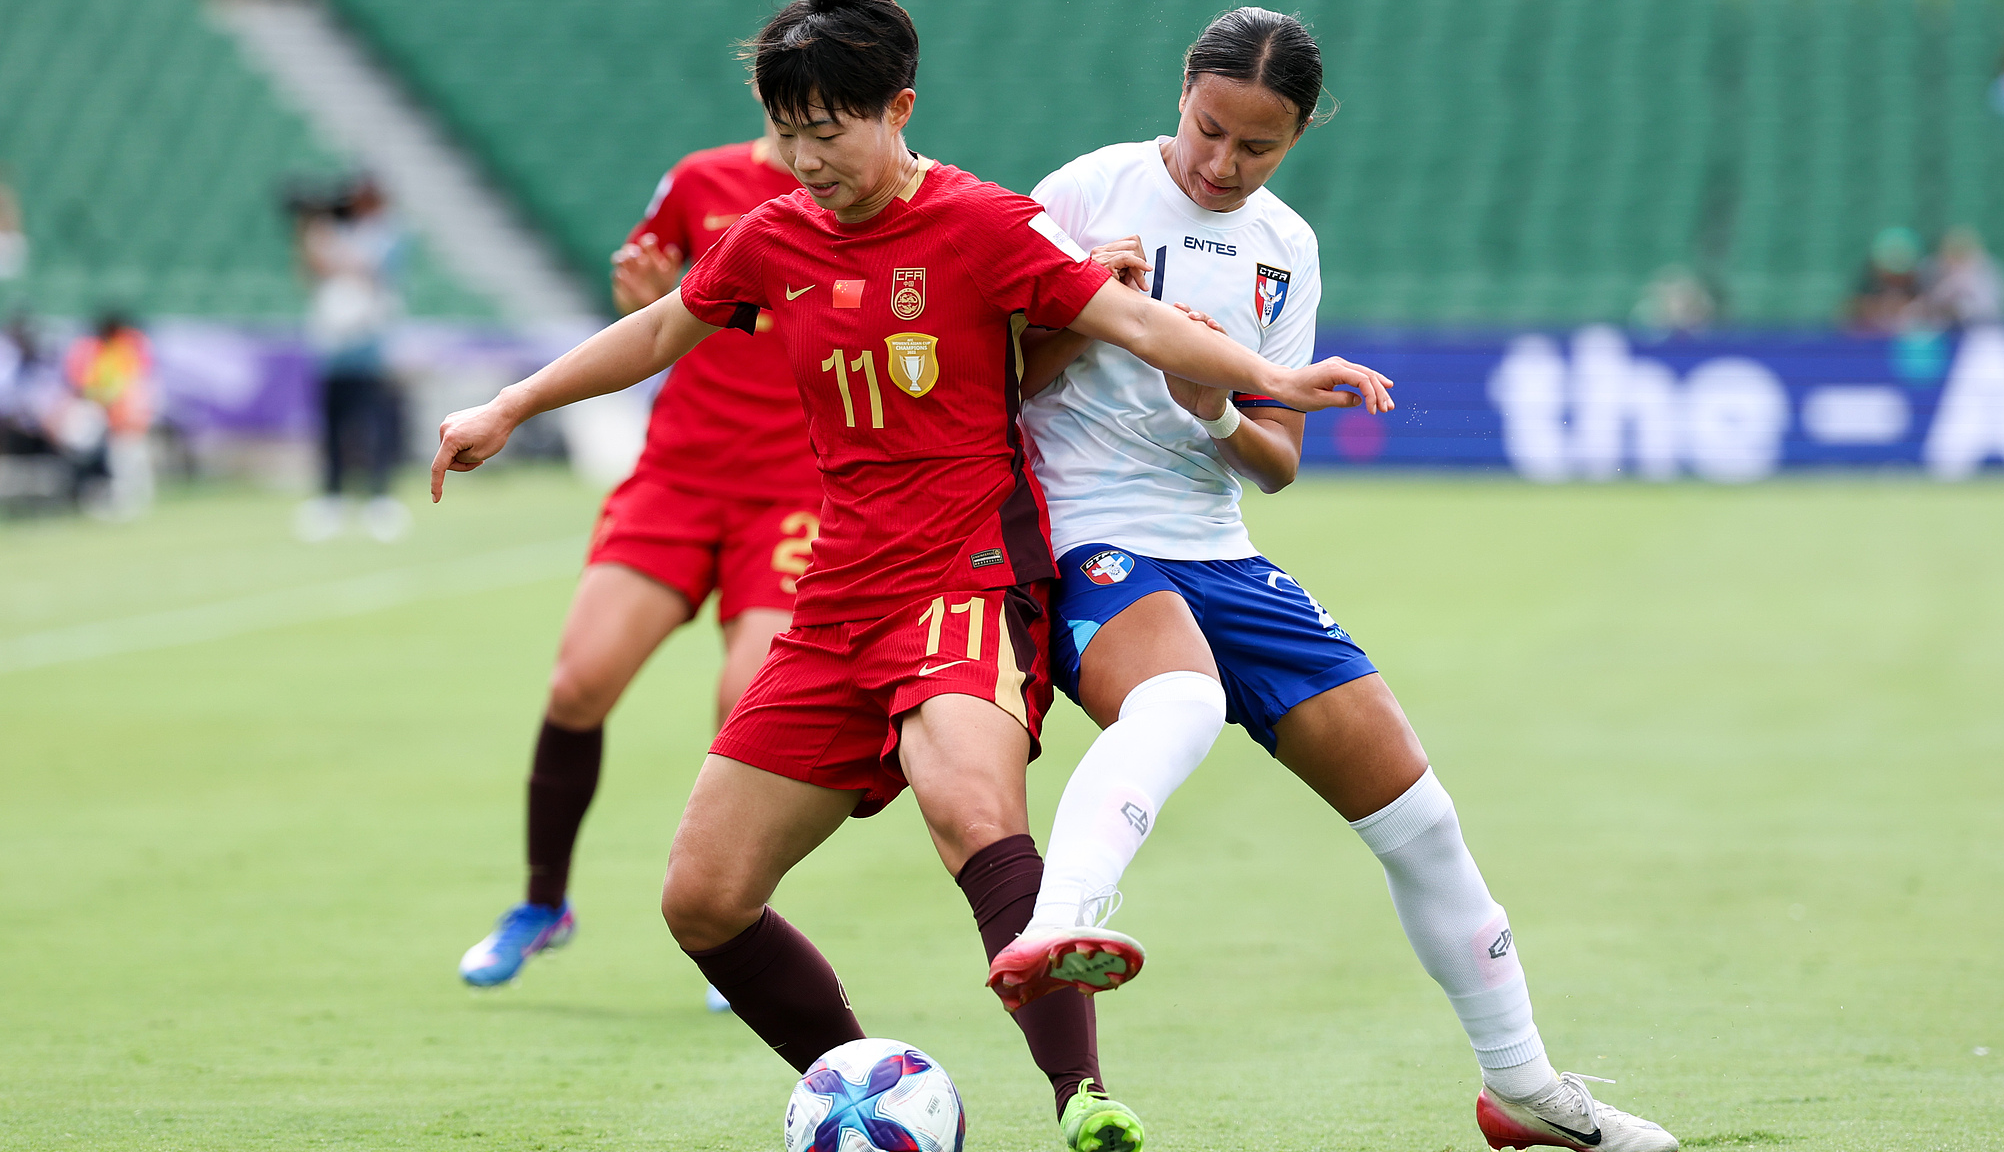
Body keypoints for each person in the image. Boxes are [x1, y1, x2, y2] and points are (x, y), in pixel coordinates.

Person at [428, 3, 1384, 1146]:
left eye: (828, 130)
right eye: (786, 132)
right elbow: (653, 333)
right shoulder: (773, 234)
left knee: (969, 811)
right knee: (702, 899)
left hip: (968, 580)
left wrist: (1275, 383)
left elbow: (1142, 326)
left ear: (899, 110)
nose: (804, 159)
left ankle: (1081, 1100)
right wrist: (509, 402)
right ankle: (863, 1094)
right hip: (837, 596)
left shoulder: (986, 224)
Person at [983, 10, 1679, 1152]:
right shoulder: (1082, 194)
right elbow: (984, 380)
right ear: (1181, 98)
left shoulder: (1284, 246)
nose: (1221, 164)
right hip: (1086, 540)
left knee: (1422, 823)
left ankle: (1523, 1090)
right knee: (1178, 702)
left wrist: (1211, 406)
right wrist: (1086, 312)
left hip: (1220, 554)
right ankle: (1060, 925)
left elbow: (1276, 462)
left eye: (1256, 147)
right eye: (1209, 131)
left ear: (1296, 138)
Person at [457, 117, 821, 993]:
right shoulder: (700, 180)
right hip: (681, 472)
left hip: (793, 489)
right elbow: (648, 306)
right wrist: (649, 295)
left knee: (748, 699)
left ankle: (732, 918)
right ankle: (544, 904)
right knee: (579, 682)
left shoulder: (857, 196)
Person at [292, 175, 411, 543]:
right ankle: (332, 497)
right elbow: (312, 270)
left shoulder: (387, 235)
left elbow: (366, 268)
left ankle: (378, 497)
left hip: (368, 349)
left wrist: (328, 238)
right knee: (331, 428)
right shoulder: (334, 234)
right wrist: (311, 227)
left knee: (372, 426)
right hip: (331, 351)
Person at [62, 310, 155, 519]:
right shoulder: (101, 349)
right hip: (110, 415)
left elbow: (129, 385)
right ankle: (118, 503)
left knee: (128, 462)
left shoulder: (127, 347)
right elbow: (88, 385)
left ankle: (132, 504)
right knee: (116, 461)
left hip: (124, 417)